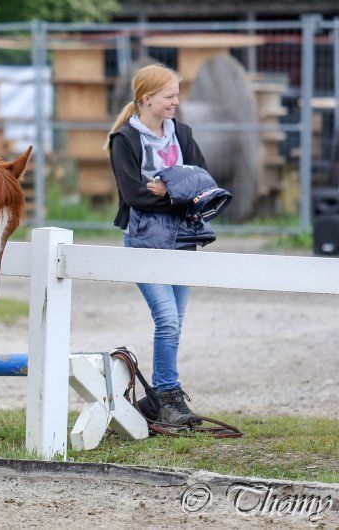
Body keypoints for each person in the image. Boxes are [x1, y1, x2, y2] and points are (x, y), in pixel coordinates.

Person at [106, 64, 208, 426]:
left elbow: (203, 180)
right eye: (169, 96)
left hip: (183, 240)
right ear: (146, 99)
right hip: (144, 240)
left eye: (177, 95)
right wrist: (181, 192)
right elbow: (134, 195)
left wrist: (169, 188)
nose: (176, 102)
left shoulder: (182, 133)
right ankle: (167, 397)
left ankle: (159, 403)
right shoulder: (124, 141)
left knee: (176, 323)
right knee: (166, 320)